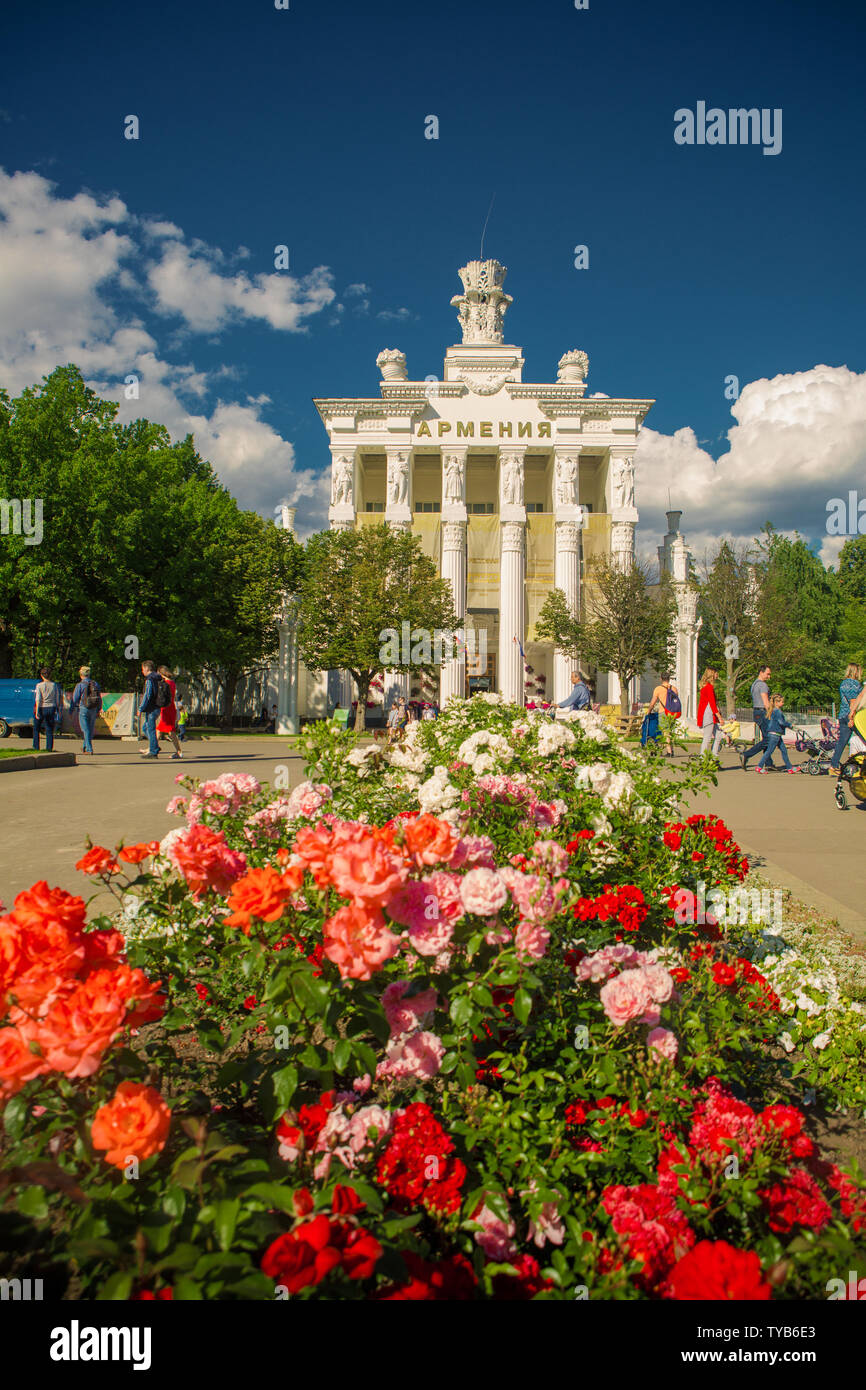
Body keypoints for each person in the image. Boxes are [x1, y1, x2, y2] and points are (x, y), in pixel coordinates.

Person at [827, 663, 864, 771]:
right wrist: (852, 718)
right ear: (856, 671)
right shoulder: (854, 684)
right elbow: (853, 702)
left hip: (842, 715)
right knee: (864, 737)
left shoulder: (843, 683)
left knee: (842, 742)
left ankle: (833, 766)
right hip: (852, 716)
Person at [740, 664, 777, 770]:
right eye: (768, 674)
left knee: (767, 737)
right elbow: (766, 702)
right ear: (761, 672)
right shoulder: (762, 685)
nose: (769, 676)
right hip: (763, 712)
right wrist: (772, 714)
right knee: (769, 739)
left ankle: (768, 763)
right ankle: (746, 754)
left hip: (757, 712)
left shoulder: (754, 684)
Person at [756, 695, 800, 774]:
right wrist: (790, 725)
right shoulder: (777, 711)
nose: (783, 703)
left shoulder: (774, 710)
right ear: (776, 703)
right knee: (769, 751)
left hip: (777, 734)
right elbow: (781, 722)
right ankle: (759, 766)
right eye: (782, 702)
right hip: (775, 735)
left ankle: (789, 768)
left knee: (784, 751)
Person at [70, 665, 102, 756]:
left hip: (84, 708)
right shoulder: (95, 684)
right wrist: (98, 709)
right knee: (90, 729)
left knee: (85, 729)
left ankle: (89, 749)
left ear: (81, 675)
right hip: (94, 708)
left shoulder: (80, 685)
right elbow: (99, 697)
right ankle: (85, 747)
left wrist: (71, 710)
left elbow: (75, 699)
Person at [32, 666, 62, 752]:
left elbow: (38, 699)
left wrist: (37, 711)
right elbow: (57, 698)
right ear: (50, 675)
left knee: (36, 728)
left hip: (41, 707)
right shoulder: (54, 685)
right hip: (51, 707)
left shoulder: (39, 685)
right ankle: (49, 747)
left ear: (42, 675)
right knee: (49, 728)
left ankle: (36, 746)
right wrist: (58, 710)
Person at [156, 664, 183, 760]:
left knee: (163, 730)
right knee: (168, 731)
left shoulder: (165, 683)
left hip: (166, 708)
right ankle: (178, 751)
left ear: (160, 673)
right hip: (170, 707)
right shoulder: (172, 683)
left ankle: (152, 748)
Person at [697, 668, 724, 759]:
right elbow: (712, 704)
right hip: (709, 714)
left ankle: (713, 756)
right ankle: (703, 757)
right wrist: (719, 717)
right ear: (712, 675)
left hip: (708, 713)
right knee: (707, 737)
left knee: (718, 735)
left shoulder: (706, 687)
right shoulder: (709, 687)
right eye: (716, 673)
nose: (717, 675)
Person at [139, 660, 161, 758]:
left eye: (143, 669)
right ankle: (154, 745)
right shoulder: (158, 678)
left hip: (151, 707)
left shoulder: (150, 679)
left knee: (150, 729)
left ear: (147, 668)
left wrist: (141, 708)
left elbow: (147, 695)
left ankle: (153, 751)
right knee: (146, 727)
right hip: (157, 706)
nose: (142, 671)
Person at [643, 674, 671, 750]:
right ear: (669, 678)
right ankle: (671, 748)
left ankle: (669, 751)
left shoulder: (658, 689)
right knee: (670, 731)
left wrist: (649, 711)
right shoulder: (674, 689)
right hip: (672, 713)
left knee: (665, 732)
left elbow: (653, 702)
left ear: (661, 679)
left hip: (663, 712)